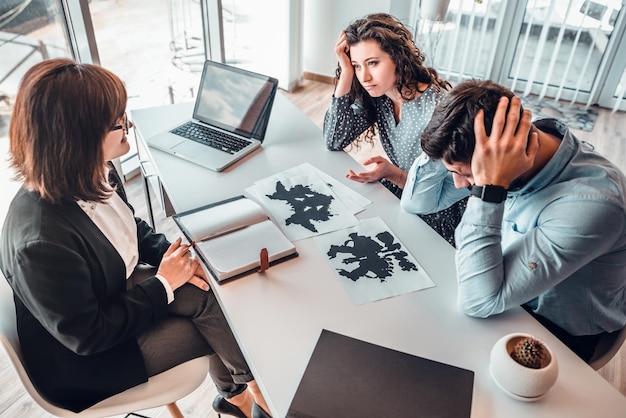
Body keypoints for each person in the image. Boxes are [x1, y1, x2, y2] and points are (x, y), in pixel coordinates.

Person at [0, 58, 271, 418]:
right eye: (117, 122)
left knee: (207, 287)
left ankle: (240, 395)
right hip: (90, 361)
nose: (127, 126)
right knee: (212, 326)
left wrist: (179, 258)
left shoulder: (94, 170)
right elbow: (88, 336)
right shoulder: (40, 243)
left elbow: (131, 230)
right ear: (80, 139)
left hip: (111, 294)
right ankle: (254, 395)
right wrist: (163, 284)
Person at [415, 79, 626, 362]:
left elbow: (478, 301)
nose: (460, 184)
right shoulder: (513, 138)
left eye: (466, 175)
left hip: (555, 333)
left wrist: (489, 188)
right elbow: (417, 201)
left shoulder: (594, 206)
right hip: (500, 291)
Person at [323, 13, 469, 246]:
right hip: (402, 193)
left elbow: (435, 196)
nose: (365, 76)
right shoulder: (379, 96)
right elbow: (334, 139)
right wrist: (346, 71)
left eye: (373, 63)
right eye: (357, 65)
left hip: (439, 217)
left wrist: (392, 174)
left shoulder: (438, 109)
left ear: (398, 58)